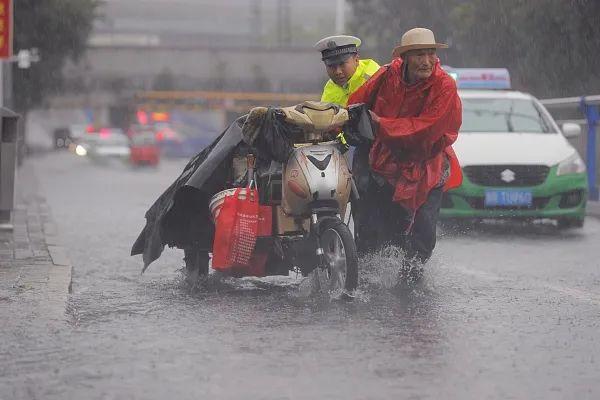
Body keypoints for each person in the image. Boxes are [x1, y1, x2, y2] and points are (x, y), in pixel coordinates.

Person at [347, 28, 463, 280]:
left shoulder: (444, 85)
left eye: (430, 53)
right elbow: (357, 103)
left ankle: (412, 276)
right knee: (376, 227)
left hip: (427, 166)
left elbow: (428, 127)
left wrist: (381, 124)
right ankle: (368, 275)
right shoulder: (387, 74)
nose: (426, 61)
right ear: (405, 58)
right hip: (386, 164)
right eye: (419, 54)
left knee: (424, 232)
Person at [315, 35, 380, 107]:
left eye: (342, 64)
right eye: (331, 66)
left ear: (356, 60)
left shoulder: (374, 77)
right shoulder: (330, 87)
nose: (338, 71)